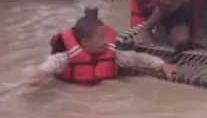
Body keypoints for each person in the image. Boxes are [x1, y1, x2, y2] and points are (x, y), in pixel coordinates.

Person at [24, 15, 178, 87]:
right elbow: (47, 67)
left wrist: (162, 65)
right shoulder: (65, 58)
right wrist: (37, 74)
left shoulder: (113, 55)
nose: (107, 42)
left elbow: (138, 58)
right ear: (85, 42)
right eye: (101, 38)